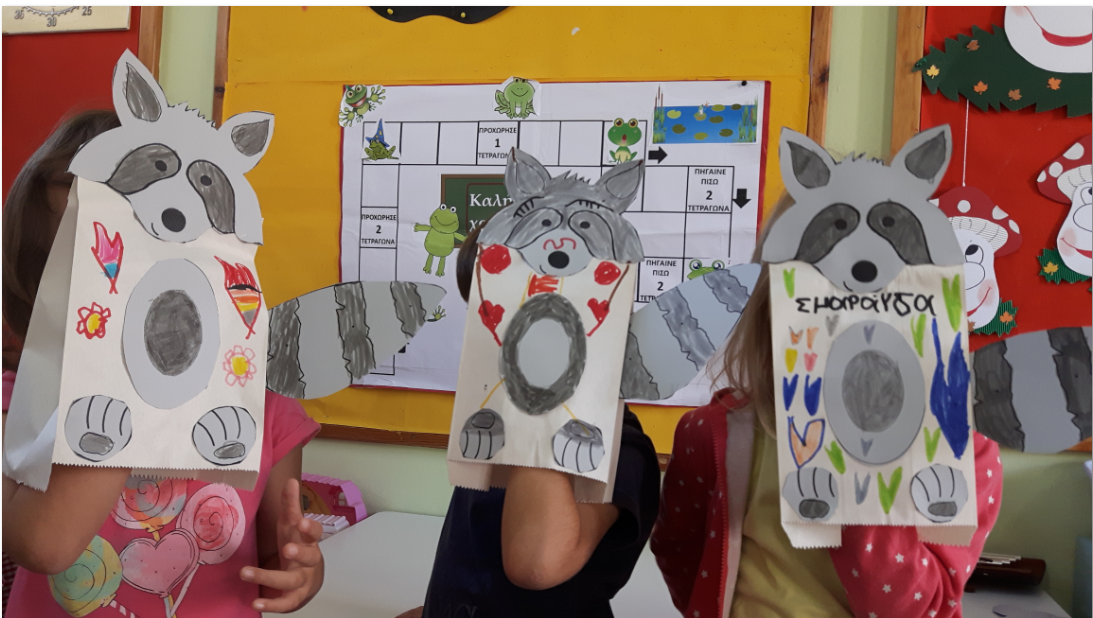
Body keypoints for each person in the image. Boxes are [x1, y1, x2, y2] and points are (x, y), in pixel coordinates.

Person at [2, 110, 326, 616]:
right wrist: (125, 383)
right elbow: (42, 544)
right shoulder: (16, 403)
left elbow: (273, 557)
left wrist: (300, 570)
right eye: (75, 268)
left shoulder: (262, 412)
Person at [651, 193, 1003, 618]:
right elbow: (681, 556)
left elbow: (919, 608)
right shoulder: (712, 435)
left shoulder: (962, 455)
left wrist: (862, 464)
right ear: (773, 307)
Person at [399, 226, 661, 618]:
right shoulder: (498, 426)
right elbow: (476, 566)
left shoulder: (620, 449)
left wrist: (542, 393)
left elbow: (535, 566)